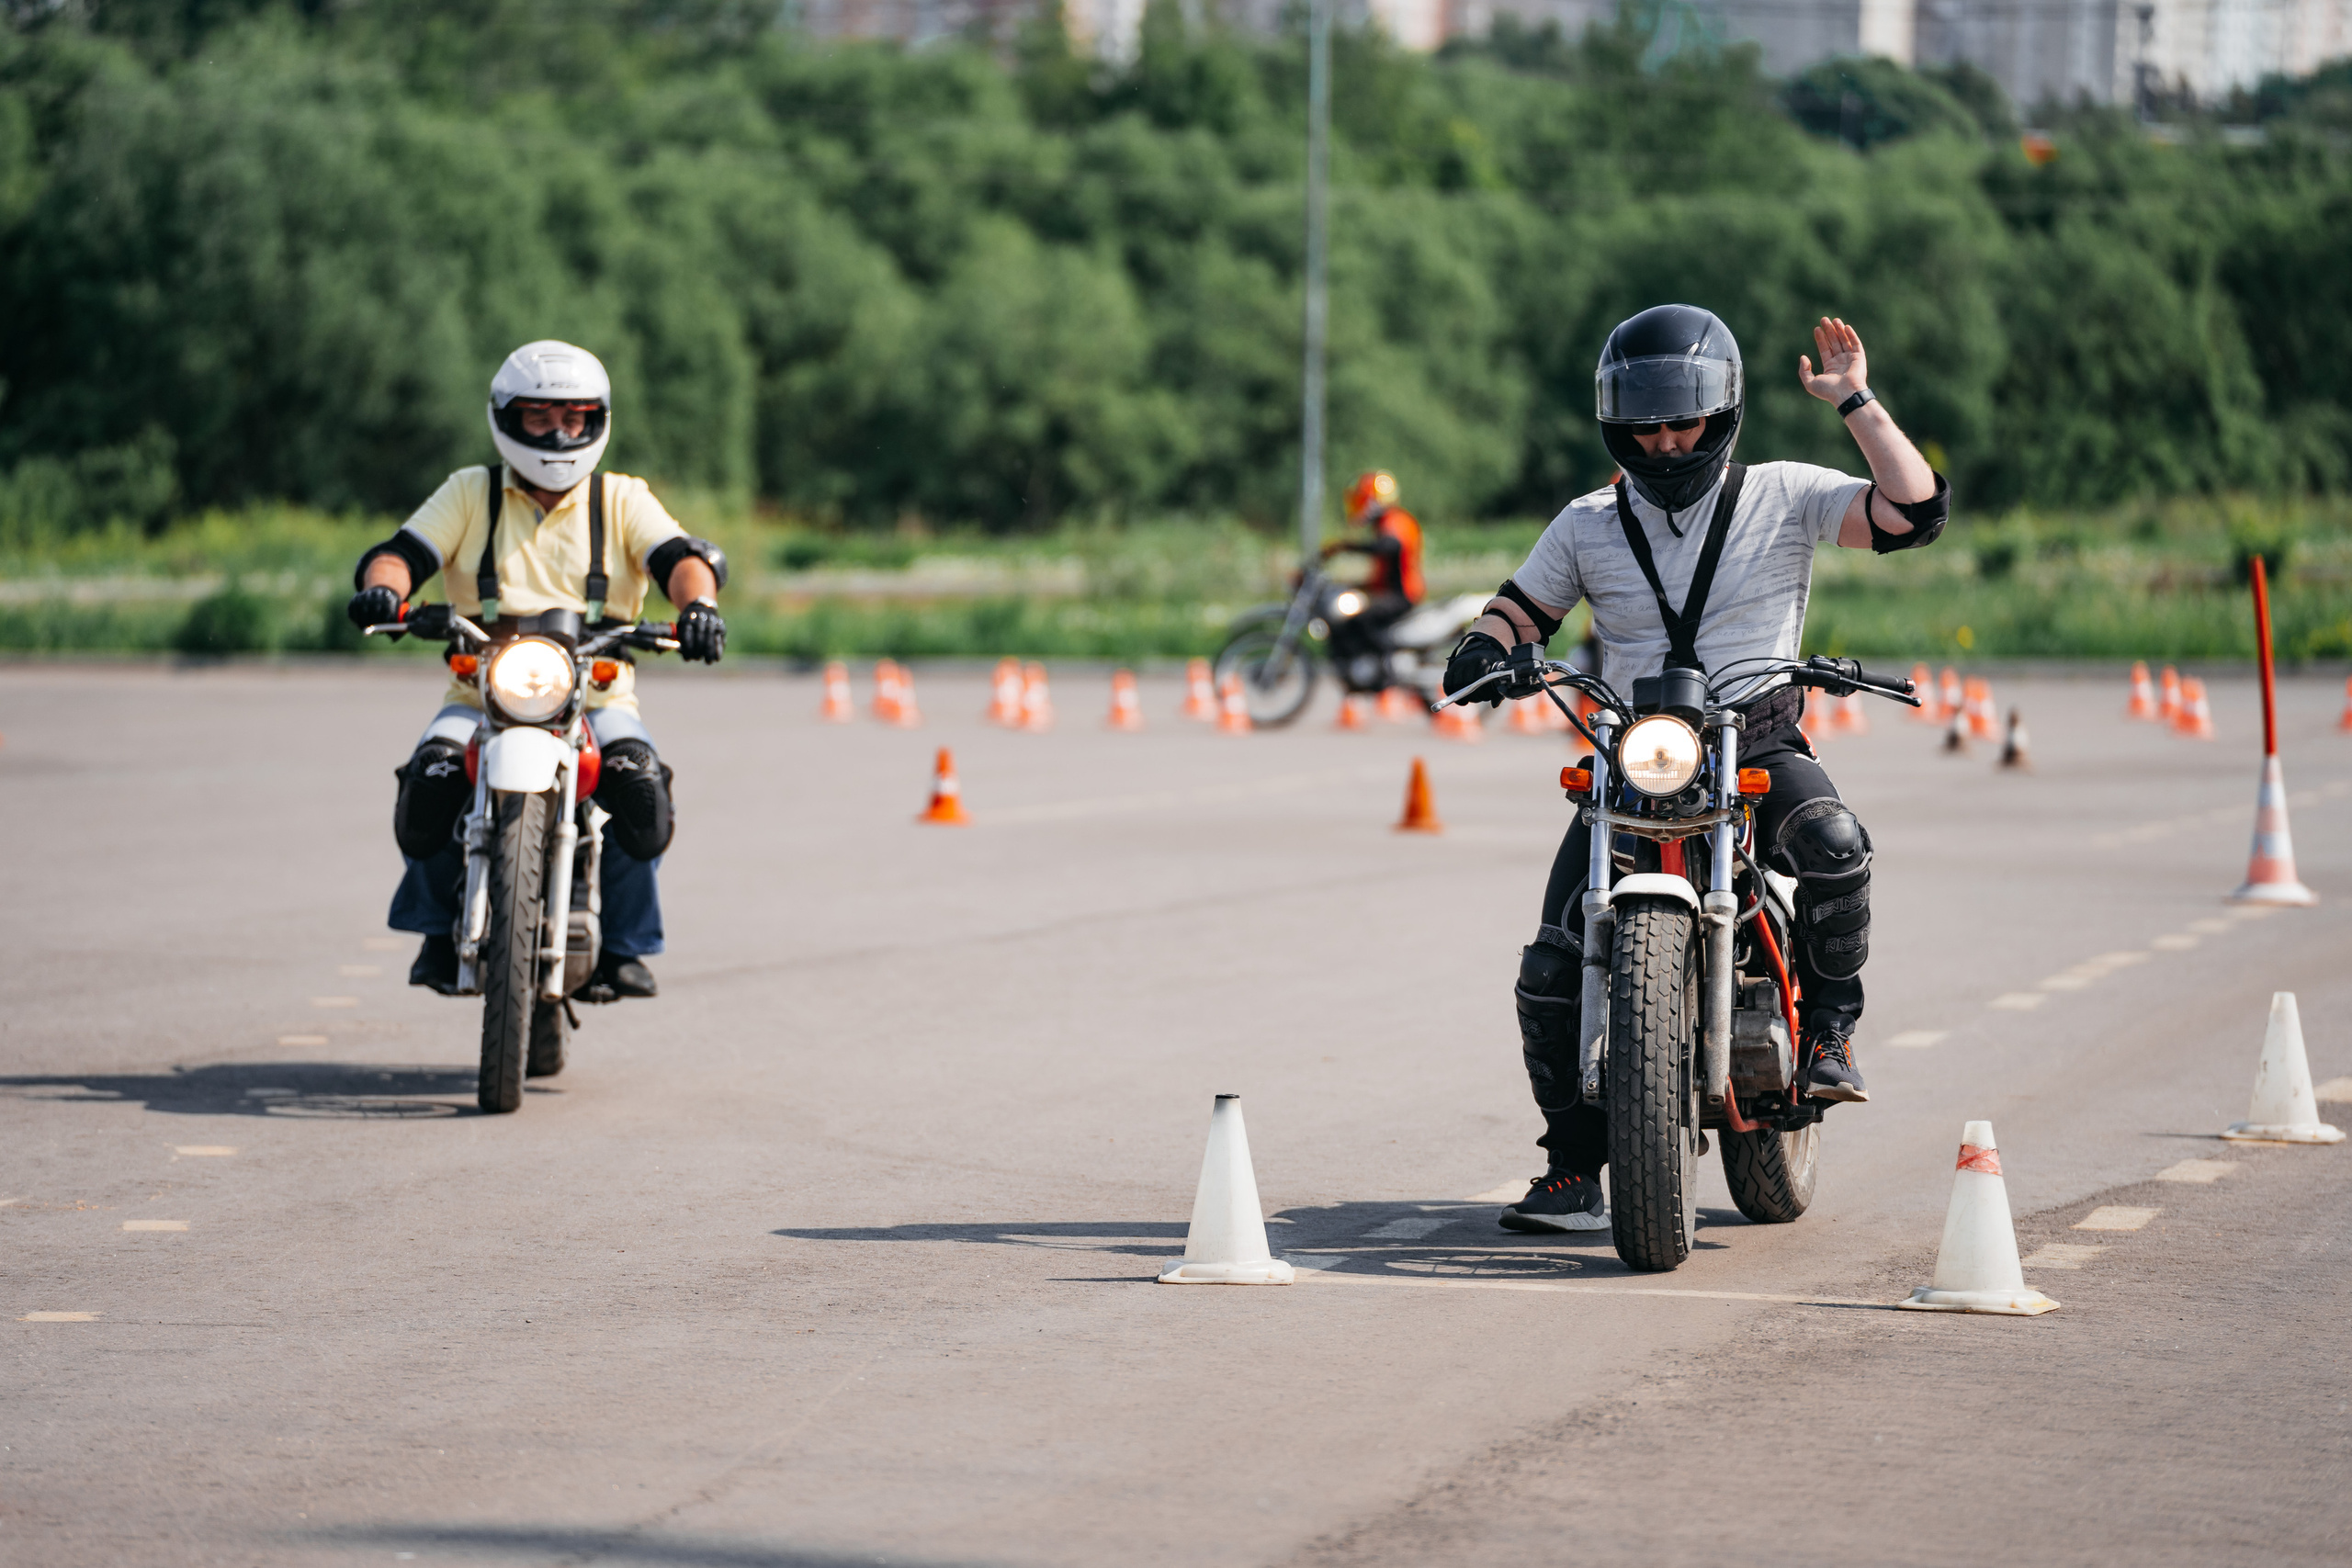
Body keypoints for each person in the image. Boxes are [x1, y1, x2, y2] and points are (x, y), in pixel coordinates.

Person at [1442, 308, 1946, 1234]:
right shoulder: (1587, 523)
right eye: (1646, 426)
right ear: (1617, 425)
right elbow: (1519, 608)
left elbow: (1910, 512)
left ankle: (1830, 1035)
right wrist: (1486, 648)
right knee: (1550, 964)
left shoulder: (1786, 494)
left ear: (1720, 414)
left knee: (1835, 846)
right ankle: (1570, 1166)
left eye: (1682, 422)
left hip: (1757, 739)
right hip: (1634, 755)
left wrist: (1856, 401)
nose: (1666, 441)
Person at [345, 341, 729, 1003]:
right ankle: (437, 930)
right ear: (507, 418)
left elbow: (681, 558)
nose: (557, 434)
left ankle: (625, 946)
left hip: (599, 696)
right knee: (431, 782)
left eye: (574, 419)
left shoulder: (621, 498)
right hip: (480, 692)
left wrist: (700, 607)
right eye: (540, 417)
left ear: (596, 421)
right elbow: (401, 553)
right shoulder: (471, 491)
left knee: (640, 788)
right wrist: (385, 589)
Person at [1322, 469, 1426, 692]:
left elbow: (1390, 546)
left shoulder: (1396, 521)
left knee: (1361, 619)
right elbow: (1383, 570)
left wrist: (1347, 547)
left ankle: (1388, 670)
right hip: (1390, 592)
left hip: (1402, 595)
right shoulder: (1386, 523)